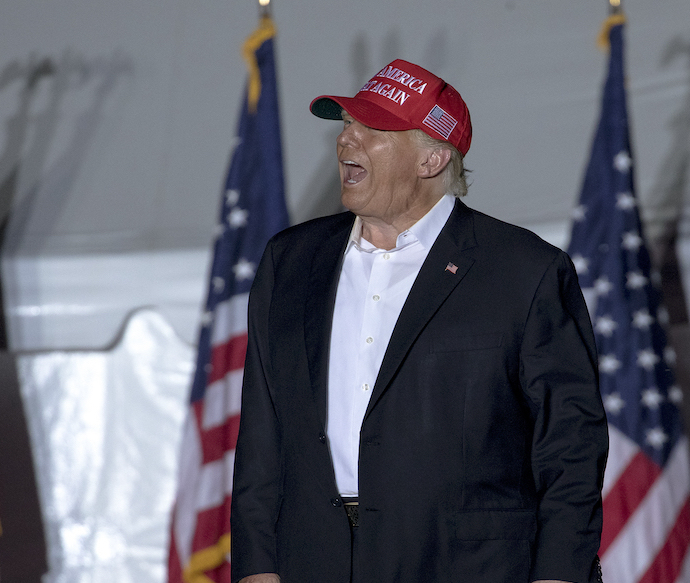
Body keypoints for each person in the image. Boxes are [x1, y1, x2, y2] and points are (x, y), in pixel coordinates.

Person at [230, 59, 607, 583]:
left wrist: (559, 575)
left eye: (372, 128)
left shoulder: (524, 271)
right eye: (345, 125)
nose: (345, 142)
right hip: (313, 562)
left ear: (431, 158)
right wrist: (256, 568)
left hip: (467, 566)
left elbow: (570, 448)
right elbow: (261, 434)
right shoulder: (290, 262)